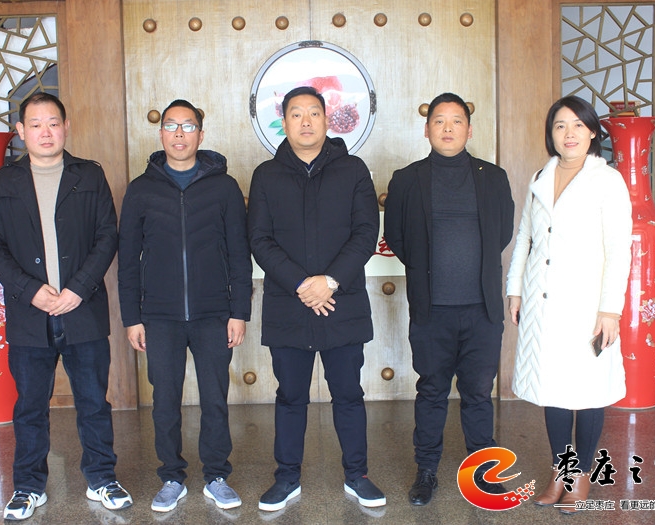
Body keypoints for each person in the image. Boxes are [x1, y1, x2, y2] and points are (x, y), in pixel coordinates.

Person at [0, 93, 132, 521]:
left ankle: (102, 479)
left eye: (53, 123)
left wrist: (78, 289)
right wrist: (30, 290)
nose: (45, 132)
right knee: (30, 405)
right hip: (29, 314)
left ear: (66, 127)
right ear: (21, 132)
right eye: (35, 124)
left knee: (93, 402)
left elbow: (107, 235)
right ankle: (28, 487)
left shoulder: (89, 175)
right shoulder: (5, 181)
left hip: (82, 310)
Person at [247, 86, 385, 511]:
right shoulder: (266, 175)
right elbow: (260, 239)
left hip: (342, 302)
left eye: (313, 113)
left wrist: (330, 281)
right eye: (296, 114)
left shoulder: (353, 170)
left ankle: (358, 475)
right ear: (283, 123)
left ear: (327, 120)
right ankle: (286, 478)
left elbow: (366, 232)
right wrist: (303, 285)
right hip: (289, 304)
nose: (305, 122)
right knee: (290, 396)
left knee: (349, 394)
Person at [117, 99, 252, 512]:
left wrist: (239, 311)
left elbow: (239, 253)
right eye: (171, 125)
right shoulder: (141, 189)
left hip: (214, 314)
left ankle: (216, 476)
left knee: (215, 399)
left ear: (201, 134)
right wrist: (132, 318)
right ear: (161, 134)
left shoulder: (224, 187)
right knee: (164, 401)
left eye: (188, 126)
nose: (179, 133)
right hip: (160, 316)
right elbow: (128, 259)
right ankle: (171, 476)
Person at [383, 92, 514, 505]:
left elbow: (503, 233)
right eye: (439, 121)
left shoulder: (493, 177)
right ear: (427, 130)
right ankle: (426, 471)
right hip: (432, 310)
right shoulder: (407, 179)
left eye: (456, 121)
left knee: (478, 393)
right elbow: (397, 237)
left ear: (469, 130)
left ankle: (483, 471)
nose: (448, 128)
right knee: (432, 391)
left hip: (482, 309)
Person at [506, 96, 631, 514]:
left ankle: (581, 475)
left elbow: (619, 250)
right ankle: (561, 471)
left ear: (593, 132)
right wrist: (516, 289)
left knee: (588, 390)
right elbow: (525, 237)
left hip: (587, 305)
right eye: (560, 126)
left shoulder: (607, 180)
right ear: (551, 134)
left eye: (578, 125)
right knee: (553, 388)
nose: (569, 133)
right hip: (543, 300)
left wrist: (610, 310)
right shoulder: (541, 176)